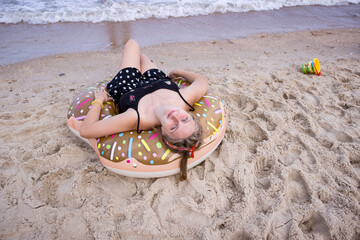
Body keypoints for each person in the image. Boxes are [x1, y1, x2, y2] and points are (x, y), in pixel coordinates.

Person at [80, 39, 208, 180]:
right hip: (156, 79)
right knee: (141, 57)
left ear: (164, 133)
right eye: (185, 119)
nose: (176, 117)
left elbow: (87, 130)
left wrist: (99, 100)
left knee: (132, 44)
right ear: (191, 116)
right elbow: (202, 82)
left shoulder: (136, 118)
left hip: (127, 85)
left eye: (174, 127)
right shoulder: (184, 99)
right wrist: (178, 72)